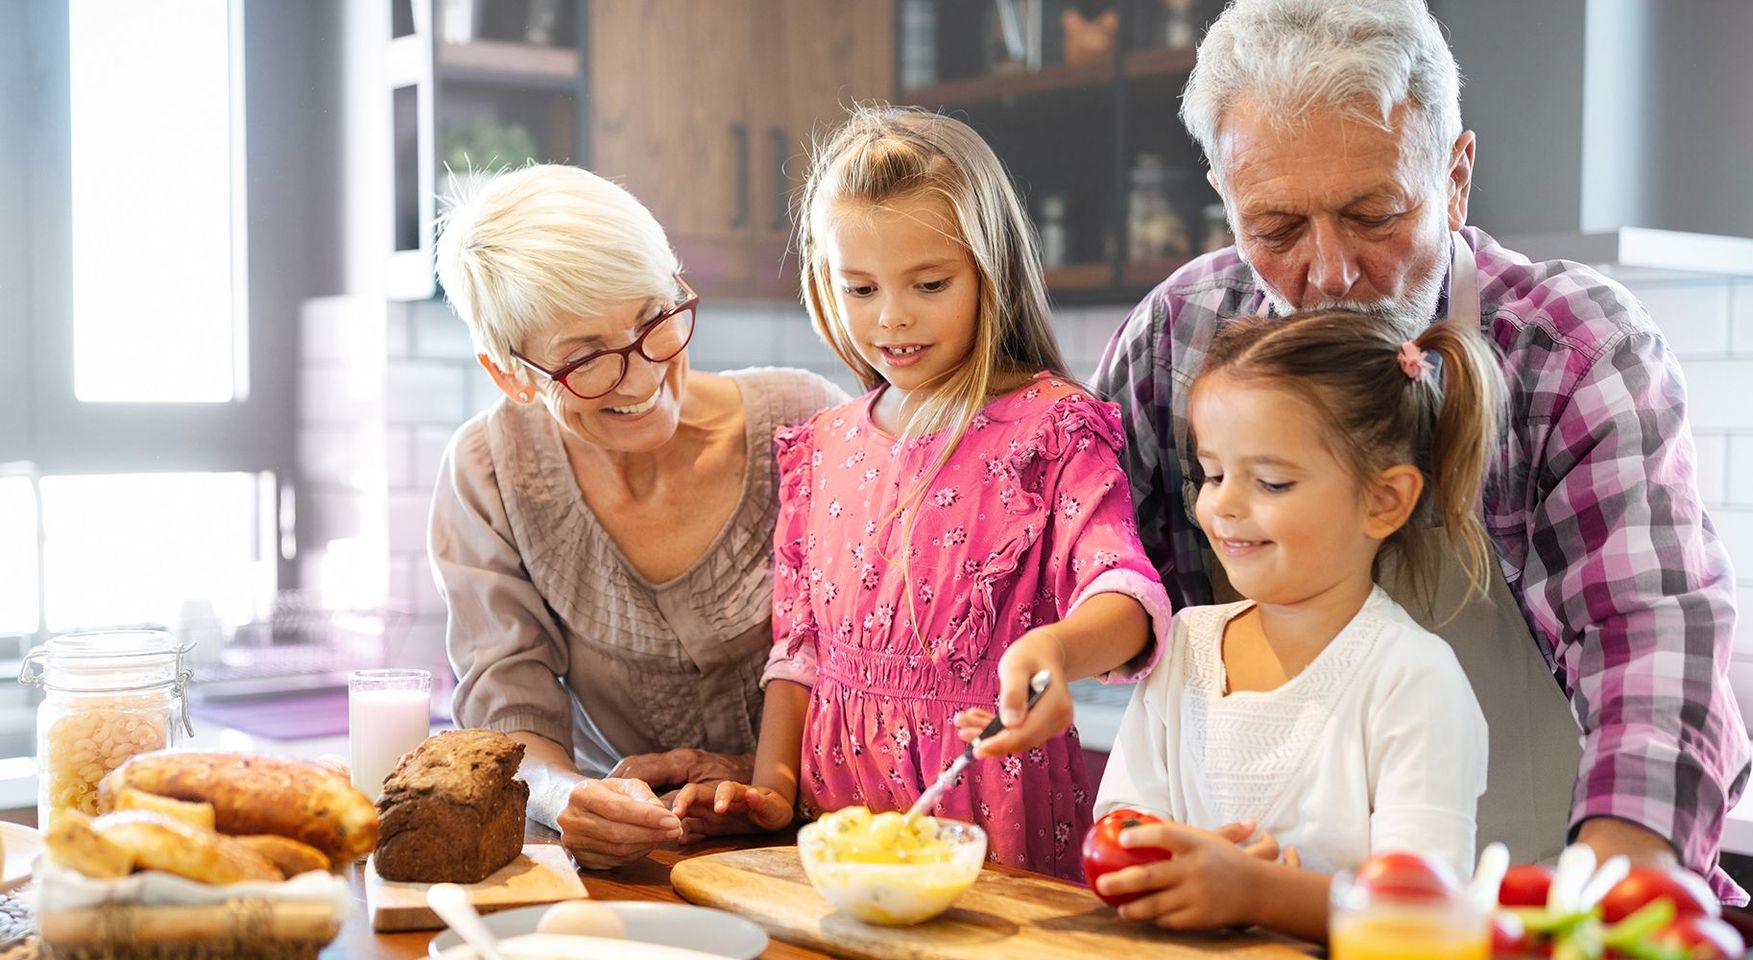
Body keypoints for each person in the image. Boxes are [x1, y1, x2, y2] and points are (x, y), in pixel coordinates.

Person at [1089, 0, 1752, 899]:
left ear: (1456, 176)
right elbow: (1102, 566)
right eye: (1276, 228)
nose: (1328, 273)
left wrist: (1610, 902)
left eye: (1373, 214)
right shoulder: (1180, 334)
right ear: (1223, 192)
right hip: (1254, 918)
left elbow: (1651, 639)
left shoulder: (1572, 349)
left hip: (1536, 907)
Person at [674, 105, 1169, 878]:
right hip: (836, 829)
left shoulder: (1053, 429)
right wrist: (771, 786)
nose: (892, 317)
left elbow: (1126, 594)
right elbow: (798, 650)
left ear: (990, 270)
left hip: (998, 831)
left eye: (929, 283)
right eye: (860, 287)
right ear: (821, 281)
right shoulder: (820, 447)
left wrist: (1056, 652)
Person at [429, 164, 846, 868]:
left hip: (834, 855)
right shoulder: (489, 472)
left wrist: (766, 772)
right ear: (509, 373)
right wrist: (566, 799)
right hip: (631, 865)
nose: (646, 377)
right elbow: (509, 711)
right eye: (588, 358)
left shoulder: (807, 424)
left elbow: (890, 668)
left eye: (654, 320)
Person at [1086, 309, 1493, 939]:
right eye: (1212, 474)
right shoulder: (1186, 645)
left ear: (1385, 500)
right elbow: (1123, 822)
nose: (1221, 505)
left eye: (1271, 482)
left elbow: (1423, 916)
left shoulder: (1414, 681)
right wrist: (1162, 858)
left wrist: (1259, 893)